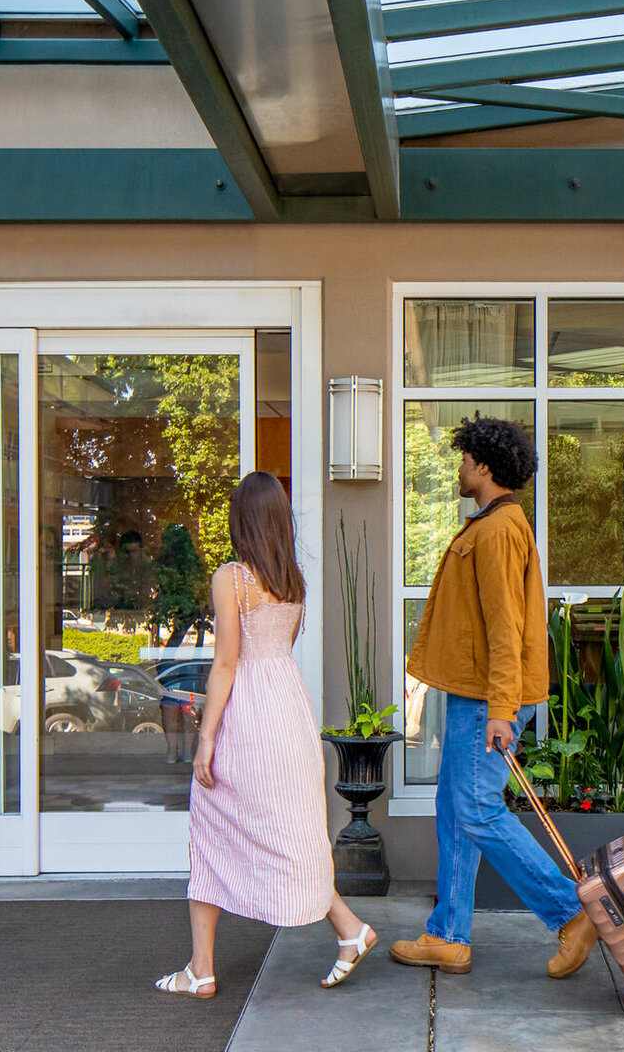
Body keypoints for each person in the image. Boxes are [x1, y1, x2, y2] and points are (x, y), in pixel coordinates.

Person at [155, 472, 378, 997]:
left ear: (241, 519)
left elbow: (229, 662)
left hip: (250, 713)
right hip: (288, 708)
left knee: (212, 829)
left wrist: (206, 736)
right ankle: (348, 930)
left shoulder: (231, 577)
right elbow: (274, 649)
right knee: (293, 830)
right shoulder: (291, 579)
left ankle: (202, 970)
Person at [389, 416, 596, 980]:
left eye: (463, 460)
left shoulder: (499, 531)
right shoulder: (494, 524)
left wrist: (503, 709)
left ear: (483, 466)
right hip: (474, 696)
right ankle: (448, 935)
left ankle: (573, 911)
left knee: (477, 809)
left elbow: (507, 631)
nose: (458, 469)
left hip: (488, 701)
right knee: (456, 811)